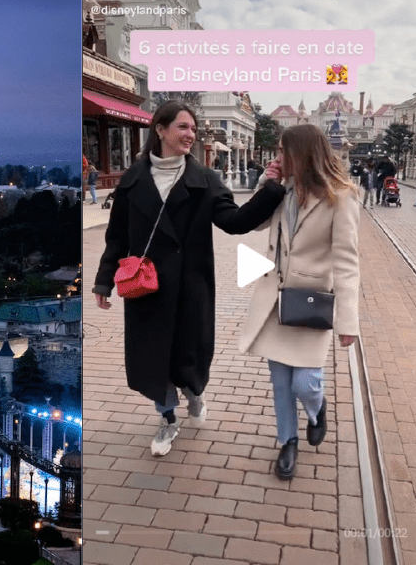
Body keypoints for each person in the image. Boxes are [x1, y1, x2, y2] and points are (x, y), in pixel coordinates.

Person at [94, 101, 287, 456]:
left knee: (189, 355)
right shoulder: (132, 181)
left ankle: (194, 395)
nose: (190, 135)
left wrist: (271, 190)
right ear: (161, 130)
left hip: (190, 285)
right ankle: (167, 420)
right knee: (154, 357)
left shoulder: (204, 179)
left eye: (193, 129)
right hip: (146, 286)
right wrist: (104, 281)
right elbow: (117, 236)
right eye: (183, 127)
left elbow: (235, 221)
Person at [238, 124, 360, 480]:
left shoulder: (342, 196)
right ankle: (287, 441)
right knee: (279, 381)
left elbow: (347, 262)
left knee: (304, 383)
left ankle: (317, 409)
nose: (277, 157)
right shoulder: (283, 189)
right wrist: (267, 183)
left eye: (282, 152)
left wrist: (348, 321)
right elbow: (256, 225)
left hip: (311, 304)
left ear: (300, 155)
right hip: (275, 300)